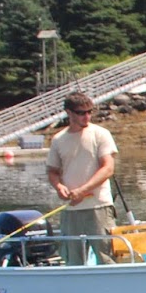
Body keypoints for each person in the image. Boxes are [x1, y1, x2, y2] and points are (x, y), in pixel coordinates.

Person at [46, 92, 119, 266]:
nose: (87, 116)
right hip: (71, 210)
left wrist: (82, 191)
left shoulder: (101, 134)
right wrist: (58, 187)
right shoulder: (58, 140)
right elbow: (52, 171)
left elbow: (108, 168)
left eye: (89, 112)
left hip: (99, 206)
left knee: (107, 258)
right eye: (81, 112)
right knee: (73, 261)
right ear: (68, 113)